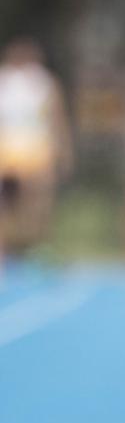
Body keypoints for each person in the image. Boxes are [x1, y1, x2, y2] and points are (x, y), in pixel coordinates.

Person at [0, 37, 73, 262]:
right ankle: (8, 248)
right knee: (8, 203)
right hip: (9, 146)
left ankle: (32, 246)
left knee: (37, 202)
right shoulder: (5, 80)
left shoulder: (45, 83)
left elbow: (57, 119)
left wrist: (63, 151)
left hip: (35, 148)